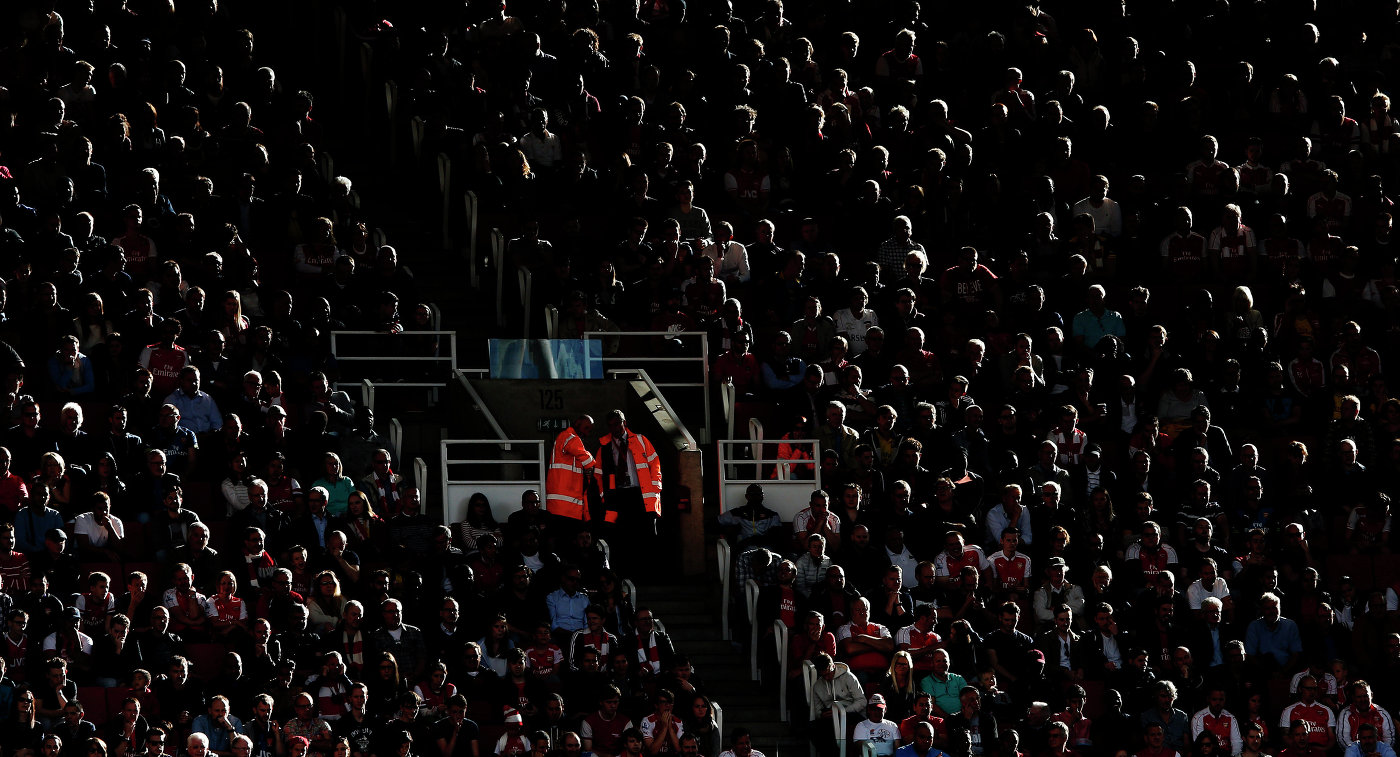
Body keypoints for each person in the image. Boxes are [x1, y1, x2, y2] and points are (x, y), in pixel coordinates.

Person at [596, 411, 662, 568]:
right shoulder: (605, 447)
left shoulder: (640, 440)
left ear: (624, 423)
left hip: (641, 494)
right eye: (611, 425)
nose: (615, 428)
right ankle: (629, 570)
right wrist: (604, 495)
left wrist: (654, 488)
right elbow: (598, 474)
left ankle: (650, 570)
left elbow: (655, 464)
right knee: (624, 536)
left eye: (617, 424)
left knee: (646, 535)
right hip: (620, 496)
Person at [547, 416, 602, 528]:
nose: (587, 433)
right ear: (577, 423)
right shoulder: (570, 437)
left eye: (589, 430)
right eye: (586, 428)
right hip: (565, 508)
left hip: (563, 507)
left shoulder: (565, 439)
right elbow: (588, 461)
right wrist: (591, 465)